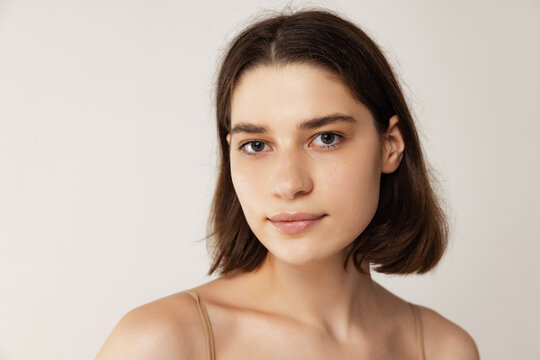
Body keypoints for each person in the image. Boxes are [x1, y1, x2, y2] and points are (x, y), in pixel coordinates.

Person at [95, 8, 480, 360]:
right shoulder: (162, 342)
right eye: (256, 145)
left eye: (326, 138)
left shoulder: (443, 349)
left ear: (390, 145)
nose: (288, 184)